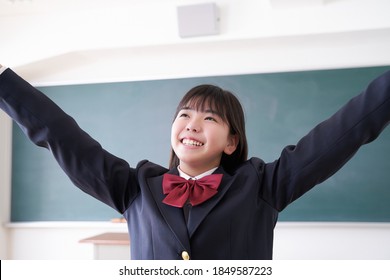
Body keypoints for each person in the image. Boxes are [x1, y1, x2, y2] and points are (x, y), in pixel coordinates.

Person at [0, 64, 389, 260]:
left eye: (210, 118)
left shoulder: (264, 186)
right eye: (184, 114)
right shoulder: (134, 186)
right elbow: (59, 133)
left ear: (232, 141)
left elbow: (346, 131)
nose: (192, 124)